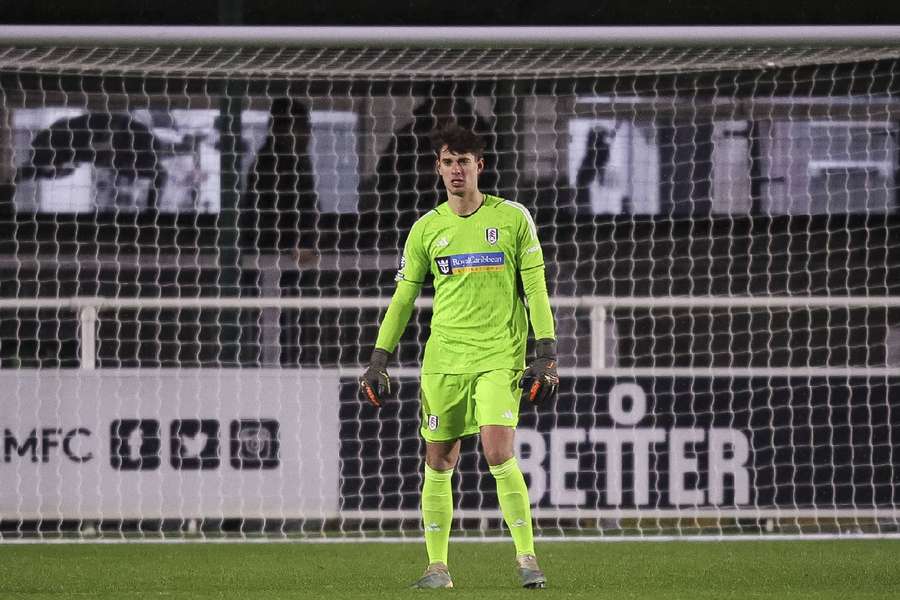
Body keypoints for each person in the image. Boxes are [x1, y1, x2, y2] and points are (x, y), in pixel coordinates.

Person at [359, 123, 558, 589]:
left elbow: (535, 288)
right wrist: (378, 358)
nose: (454, 170)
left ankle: (527, 559)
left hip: (497, 356)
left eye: (463, 162)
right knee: (439, 460)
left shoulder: (512, 219)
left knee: (497, 450)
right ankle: (437, 568)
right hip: (444, 361)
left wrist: (545, 351)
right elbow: (404, 299)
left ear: (479, 167)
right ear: (438, 167)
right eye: (447, 161)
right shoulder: (427, 230)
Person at [374, 96, 498, 251]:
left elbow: (493, 175)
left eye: (450, 106)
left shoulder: (478, 136)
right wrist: (419, 176)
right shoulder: (408, 138)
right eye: (440, 106)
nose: (445, 113)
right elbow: (386, 179)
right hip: (418, 216)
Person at [239, 97, 318, 256]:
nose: (308, 133)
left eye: (307, 127)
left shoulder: (298, 159)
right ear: (280, 130)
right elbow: (279, 215)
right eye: (302, 127)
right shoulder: (272, 162)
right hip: (272, 255)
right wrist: (305, 242)